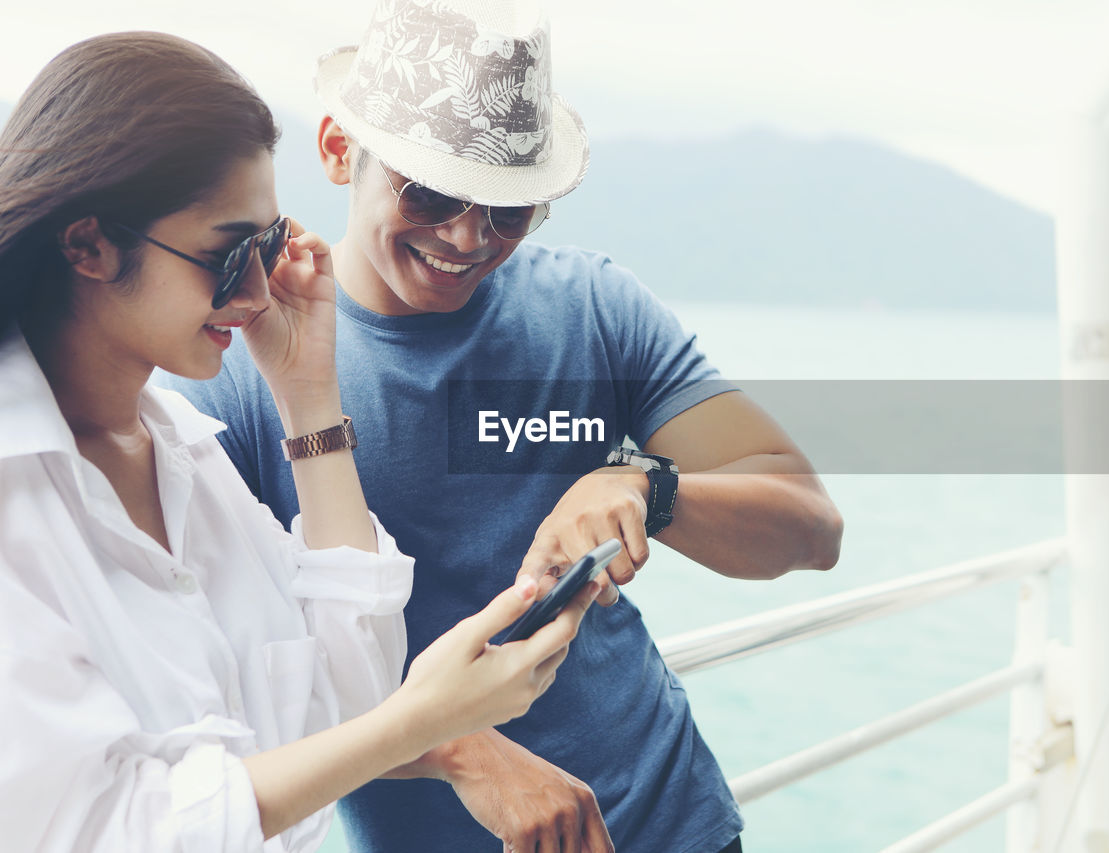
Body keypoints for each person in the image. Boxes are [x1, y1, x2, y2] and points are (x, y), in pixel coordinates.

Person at [165, 1, 845, 851]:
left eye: (508, 210)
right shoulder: (236, 375)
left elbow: (811, 527)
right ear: (340, 152)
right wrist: (456, 745)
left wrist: (648, 486)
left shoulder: (593, 307)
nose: (467, 236)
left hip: (674, 823)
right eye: (431, 192)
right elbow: (214, 695)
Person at [0, 31, 600, 852]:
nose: (254, 291)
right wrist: (427, 722)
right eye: (225, 253)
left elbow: (342, 696)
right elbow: (113, 827)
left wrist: (308, 394)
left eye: (264, 247)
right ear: (88, 245)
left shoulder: (182, 448)